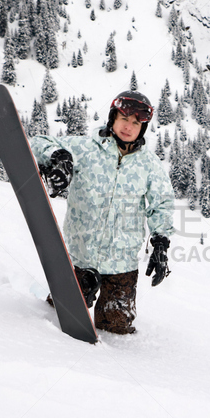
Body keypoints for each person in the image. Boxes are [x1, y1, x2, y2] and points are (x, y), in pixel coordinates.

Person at [30, 90, 174, 334]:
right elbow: (36, 142)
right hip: (78, 257)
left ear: (143, 128)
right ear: (112, 118)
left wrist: (161, 242)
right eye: (123, 119)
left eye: (135, 123)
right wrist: (59, 157)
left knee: (116, 330)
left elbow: (162, 203)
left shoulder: (149, 165)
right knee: (55, 320)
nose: (128, 127)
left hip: (122, 265)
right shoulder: (85, 149)